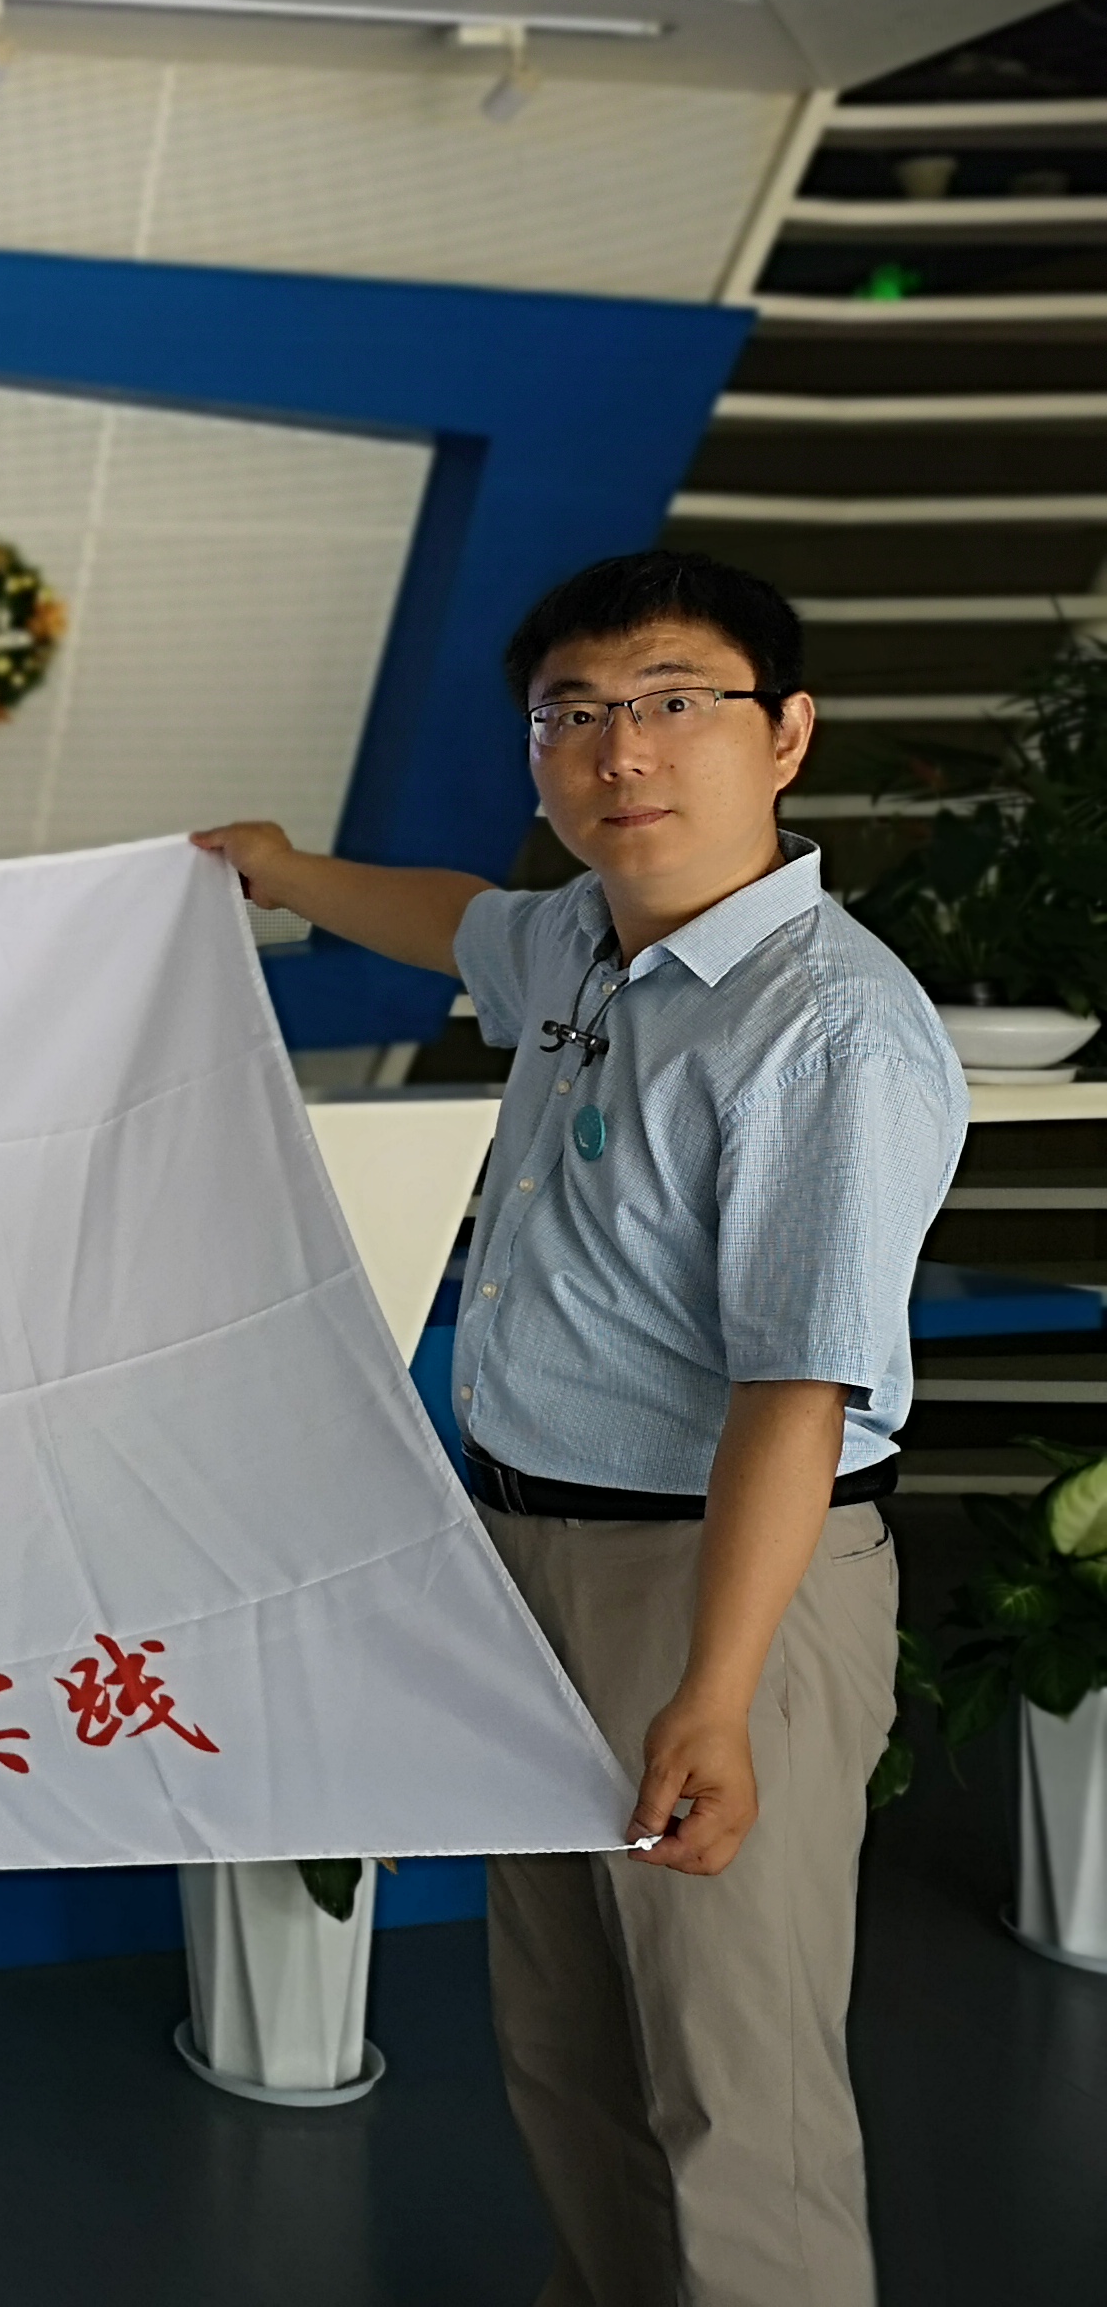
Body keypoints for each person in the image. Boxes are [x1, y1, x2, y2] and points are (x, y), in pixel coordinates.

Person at [195, 548, 958, 2307]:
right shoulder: (578, 941)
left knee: (736, 2085)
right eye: (574, 714)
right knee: (568, 2041)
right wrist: (286, 873)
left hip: (717, 1584)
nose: (624, 749)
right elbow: (454, 916)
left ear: (787, 735)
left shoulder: (825, 1027)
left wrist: (716, 1690)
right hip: (529, 1559)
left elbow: (798, 1392)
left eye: (677, 701)